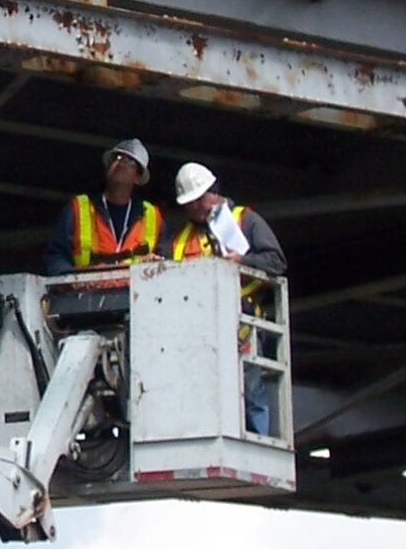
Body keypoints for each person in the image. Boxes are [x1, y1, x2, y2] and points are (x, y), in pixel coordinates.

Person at [168, 162, 287, 436]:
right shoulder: (181, 236)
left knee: (249, 386)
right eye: (189, 204)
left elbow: (276, 261)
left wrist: (242, 261)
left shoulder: (244, 220)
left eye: (199, 200)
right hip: (196, 328)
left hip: (240, 321)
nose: (195, 208)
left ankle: (256, 437)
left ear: (213, 191)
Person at [41, 138, 161, 276]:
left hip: (135, 295)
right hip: (85, 294)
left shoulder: (151, 216)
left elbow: (166, 266)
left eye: (129, 161)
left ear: (138, 178)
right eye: (116, 157)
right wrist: (71, 279)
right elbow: (55, 256)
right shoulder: (78, 209)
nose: (120, 162)